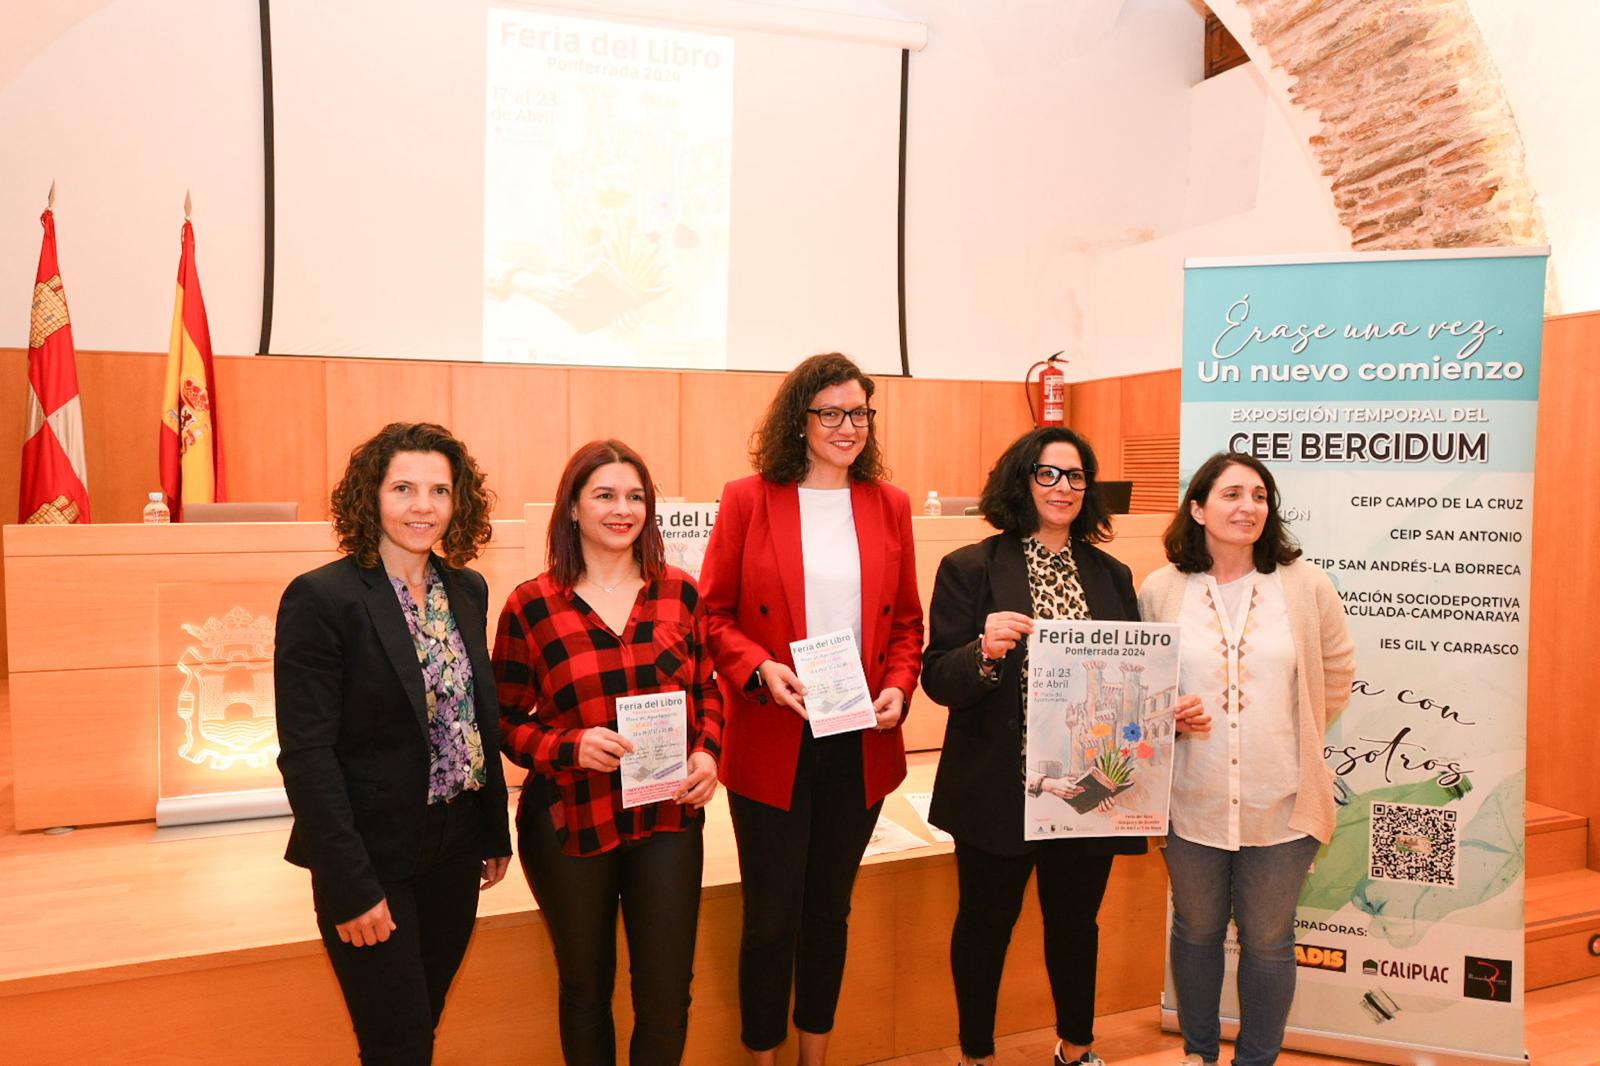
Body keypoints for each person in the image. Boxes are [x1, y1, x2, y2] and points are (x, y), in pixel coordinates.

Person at [698, 352, 924, 1065]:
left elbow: (906, 626)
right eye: (830, 412)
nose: (846, 426)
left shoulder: (887, 503)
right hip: (774, 733)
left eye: (859, 412)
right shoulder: (748, 498)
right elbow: (712, 615)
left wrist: (898, 686)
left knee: (830, 912)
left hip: (858, 740)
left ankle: (813, 1056)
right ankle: (763, 1056)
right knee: (770, 919)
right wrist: (760, 669)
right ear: (800, 419)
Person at [275, 422, 512, 1066]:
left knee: (421, 1026)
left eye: (439, 490)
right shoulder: (322, 598)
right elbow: (307, 756)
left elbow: (474, 717)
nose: (422, 506)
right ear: (370, 496)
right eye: (403, 487)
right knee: (397, 1043)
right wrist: (351, 885)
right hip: (371, 857)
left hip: (456, 849)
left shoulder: (466, 589)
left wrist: (494, 834)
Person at [922, 426, 1157, 1066]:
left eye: (1076, 476)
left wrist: (1160, 711)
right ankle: (976, 1054)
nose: (1063, 488)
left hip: (1090, 791)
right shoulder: (970, 567)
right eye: (1048, 474)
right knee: (984, 926)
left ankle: (1077, 1049)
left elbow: (1134, 679)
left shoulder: (1112, 574)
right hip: (1000, 783)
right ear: (1021, 481)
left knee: (1076, 925)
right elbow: (939, 678)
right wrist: (983, 651)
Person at [493, 440, 722, 1066]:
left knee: (667, 995)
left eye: (635, 497)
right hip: (571, 820)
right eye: (605, 495)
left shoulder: (680, 593)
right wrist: (570, 745)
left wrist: (707, 754)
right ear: (572, 507)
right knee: (586, 990)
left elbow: (706, 688)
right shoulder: (530, 605)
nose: (623, 510)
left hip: (668, 818)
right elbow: (505, 722)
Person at [1137, 451, 1355, 1066]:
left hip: (1281, 801)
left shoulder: (1305, 584)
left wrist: (1297, 729)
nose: (1248, 507)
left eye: (1259, 496)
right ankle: (1198, 1054)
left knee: (1267, 940)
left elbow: (1336, 668)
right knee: (1197, 931)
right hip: (1190, 800)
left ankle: (1256, 1060)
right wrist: (1168, 717)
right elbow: (1140, 682)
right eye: (1231, 494)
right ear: (1198, 508)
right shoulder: (1161, 588)